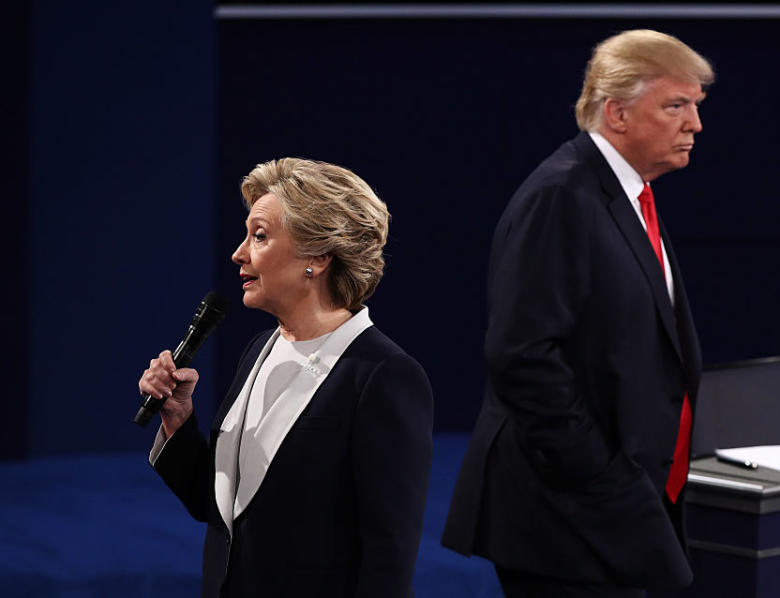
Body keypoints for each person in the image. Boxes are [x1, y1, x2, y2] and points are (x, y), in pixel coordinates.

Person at [442, 29, 713, 595]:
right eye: (675, 106)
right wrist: (606, 481)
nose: (694, 124)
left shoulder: (625, 192)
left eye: (695, 106)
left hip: (611, 499)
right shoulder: (561, 195)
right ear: (617, 113)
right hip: (565, 513)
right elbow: (522, 358)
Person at [138, 158, 433, 598]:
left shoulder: (384, 377)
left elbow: (388, 559)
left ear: (316, 256)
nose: (239, 253)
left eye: (259, 236)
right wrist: (177, 422)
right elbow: (220, 509)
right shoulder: (259, 350)